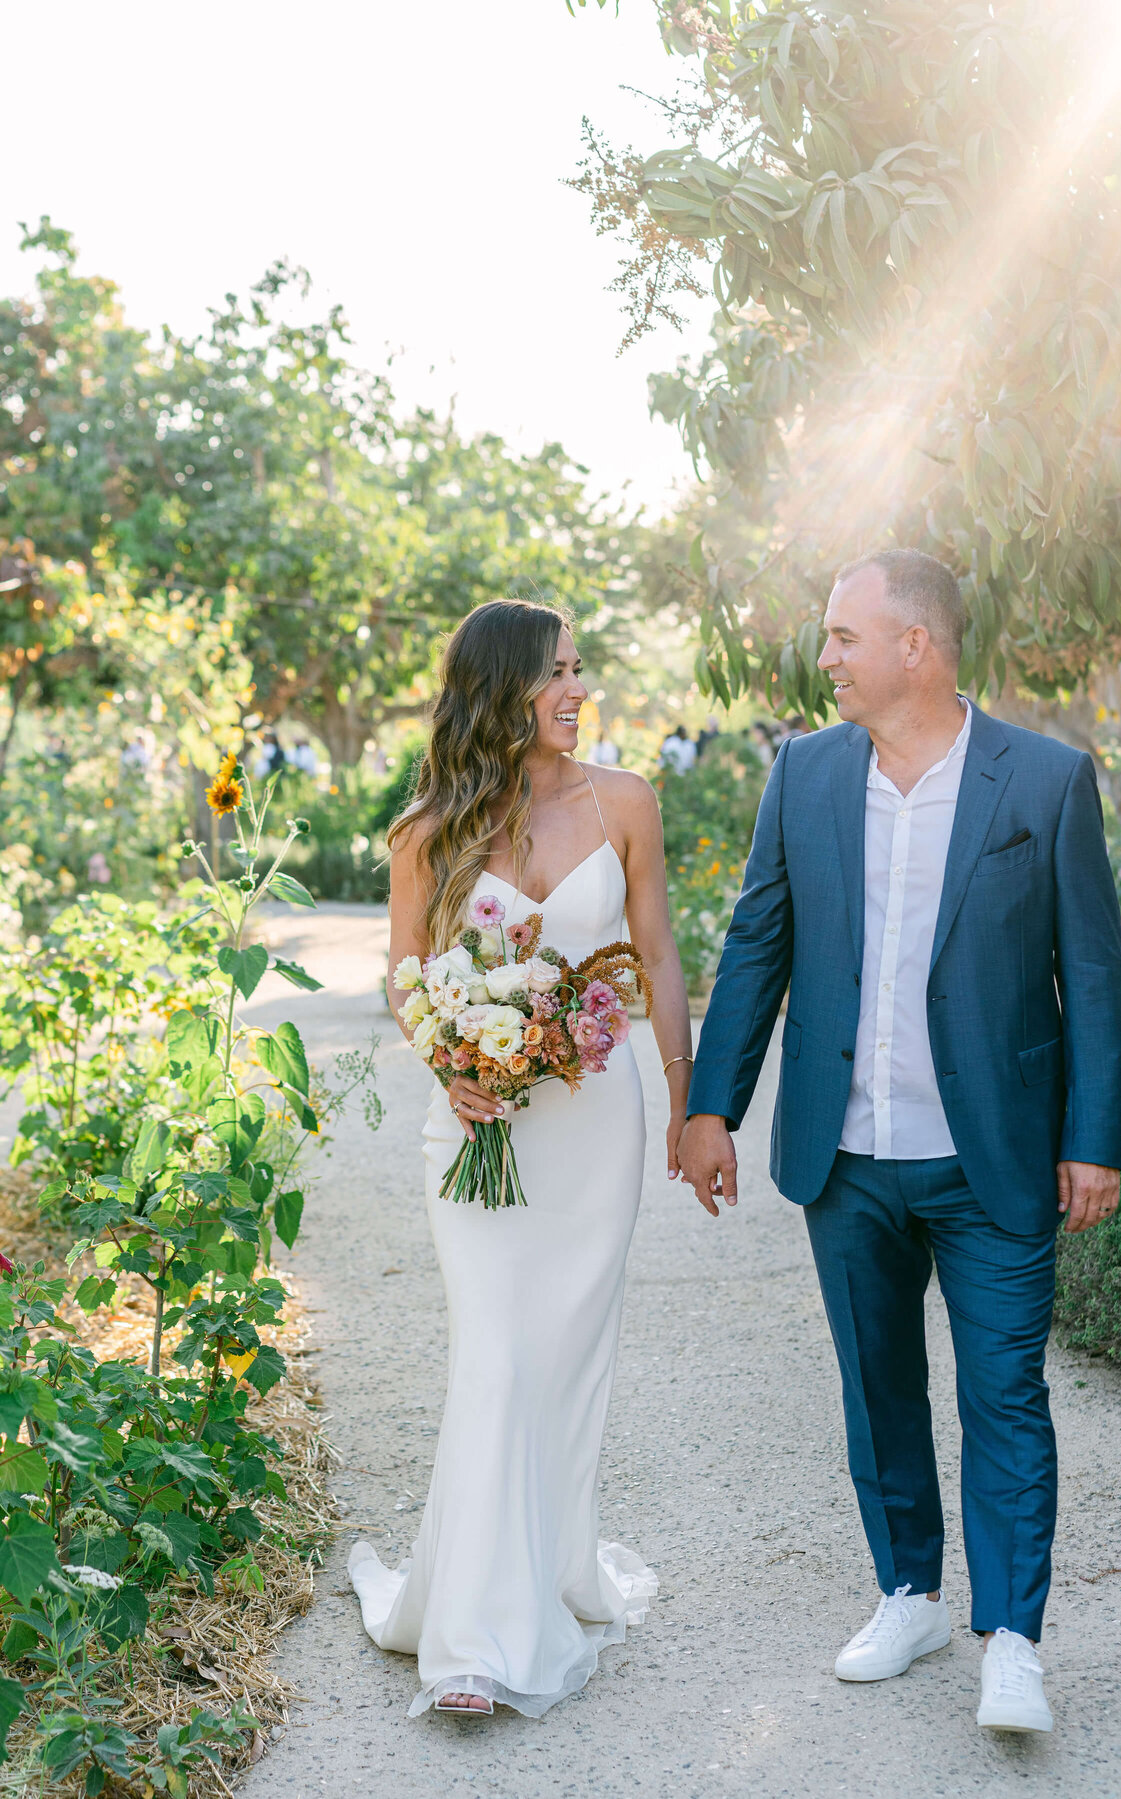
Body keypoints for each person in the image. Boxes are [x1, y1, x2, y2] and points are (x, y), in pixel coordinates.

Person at [678, 549, 1121, 1735]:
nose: (823, 657)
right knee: (879, 1389)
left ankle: (1013, 1637)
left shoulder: (1046, 778)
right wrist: (711, 1104)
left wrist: (1094, 1137)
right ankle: (911, 1590)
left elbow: (1091, 973)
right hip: (849, 1152)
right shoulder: (806, 771)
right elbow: (757, 944)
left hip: (997, 1158)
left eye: (841, 637)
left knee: (1005, 1396)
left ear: (912, 646)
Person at [349, 598, 693, 1718]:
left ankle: (543, 1565)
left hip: (596, 1126)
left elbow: (659, 959)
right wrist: (446, 1054)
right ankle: (472, 1645)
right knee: (494, 1353)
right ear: (500, 686)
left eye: (580, 668)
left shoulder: (626, 801)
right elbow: (405, 974)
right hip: (479, 1128)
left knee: (560, 1361)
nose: (577, 689)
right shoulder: (426, 829)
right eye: (556, 672)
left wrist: (694, 1106)